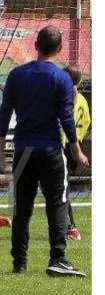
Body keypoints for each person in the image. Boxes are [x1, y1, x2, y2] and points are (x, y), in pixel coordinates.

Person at [0, 26, 89, 277]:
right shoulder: (61, 78)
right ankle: (58, 258)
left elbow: (5, 112)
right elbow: (66, 118)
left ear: (36, 45)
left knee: (22, 207)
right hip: (49, 150)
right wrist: (77, 150)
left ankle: (19, 262)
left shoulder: (16, 75)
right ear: (60, 49)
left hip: (23, 151)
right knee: (57, 204)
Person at [61, 66, 91, 241]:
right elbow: (86, 121)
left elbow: (65, 121)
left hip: (64, 146)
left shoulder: (65, 98)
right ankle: (65, 226)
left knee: (60, 189)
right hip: (75, 147)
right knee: (60, 188)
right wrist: (78, 139)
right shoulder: (82, 100)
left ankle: (71, 228)